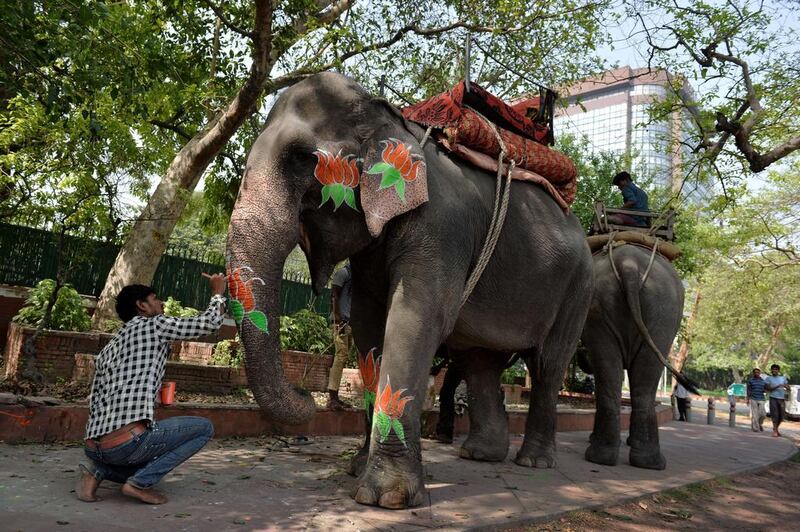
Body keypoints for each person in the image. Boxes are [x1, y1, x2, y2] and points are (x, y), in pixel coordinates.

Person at [77, 273, 227, 505]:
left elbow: (99, 394)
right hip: (127, 444)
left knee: (144, 448)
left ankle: (97, 471)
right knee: (203, 428)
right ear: (142, 306)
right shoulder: (154, 325)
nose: (162, 303)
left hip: (94, 447)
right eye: (156, 299)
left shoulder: (112, 344)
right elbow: (209, 323)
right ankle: (138, 483)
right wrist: (217, 292)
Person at [327, 262, 353, 410]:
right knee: (341, 356)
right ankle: (332, 398)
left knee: (342, 357)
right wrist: (337, 318)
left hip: (349, 322)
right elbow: (333, 295)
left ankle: (335, 396)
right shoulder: (343, 273)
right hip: (340, 322)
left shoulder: (356, 275)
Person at [764, 363, 790, 437]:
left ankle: (776, 428)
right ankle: (775, 431)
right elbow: (768, 388)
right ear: (771, 370)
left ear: (778, 370)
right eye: (773, 369)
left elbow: (789, 388)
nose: (774, 370)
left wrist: (786, 386)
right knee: (774, 414)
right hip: (773, 398)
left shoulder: (783, 378)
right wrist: (778, 386)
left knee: (782, 416)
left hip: (781, 399)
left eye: (776, 369)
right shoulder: (768, 378)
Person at [746, 367, 767, 432]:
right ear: (753, 373)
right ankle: (755, 428)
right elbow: (748, 390)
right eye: (755, 372)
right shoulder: (750, 381)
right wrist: (747, 399)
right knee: (755, 414)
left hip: (761, 398)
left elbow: (765, 390)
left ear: (760, 373)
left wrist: (766, 390)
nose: (756, 373)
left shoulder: (763, 381)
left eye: (758, 372)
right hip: (753, 398)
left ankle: (760, 424)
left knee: (763, 414)